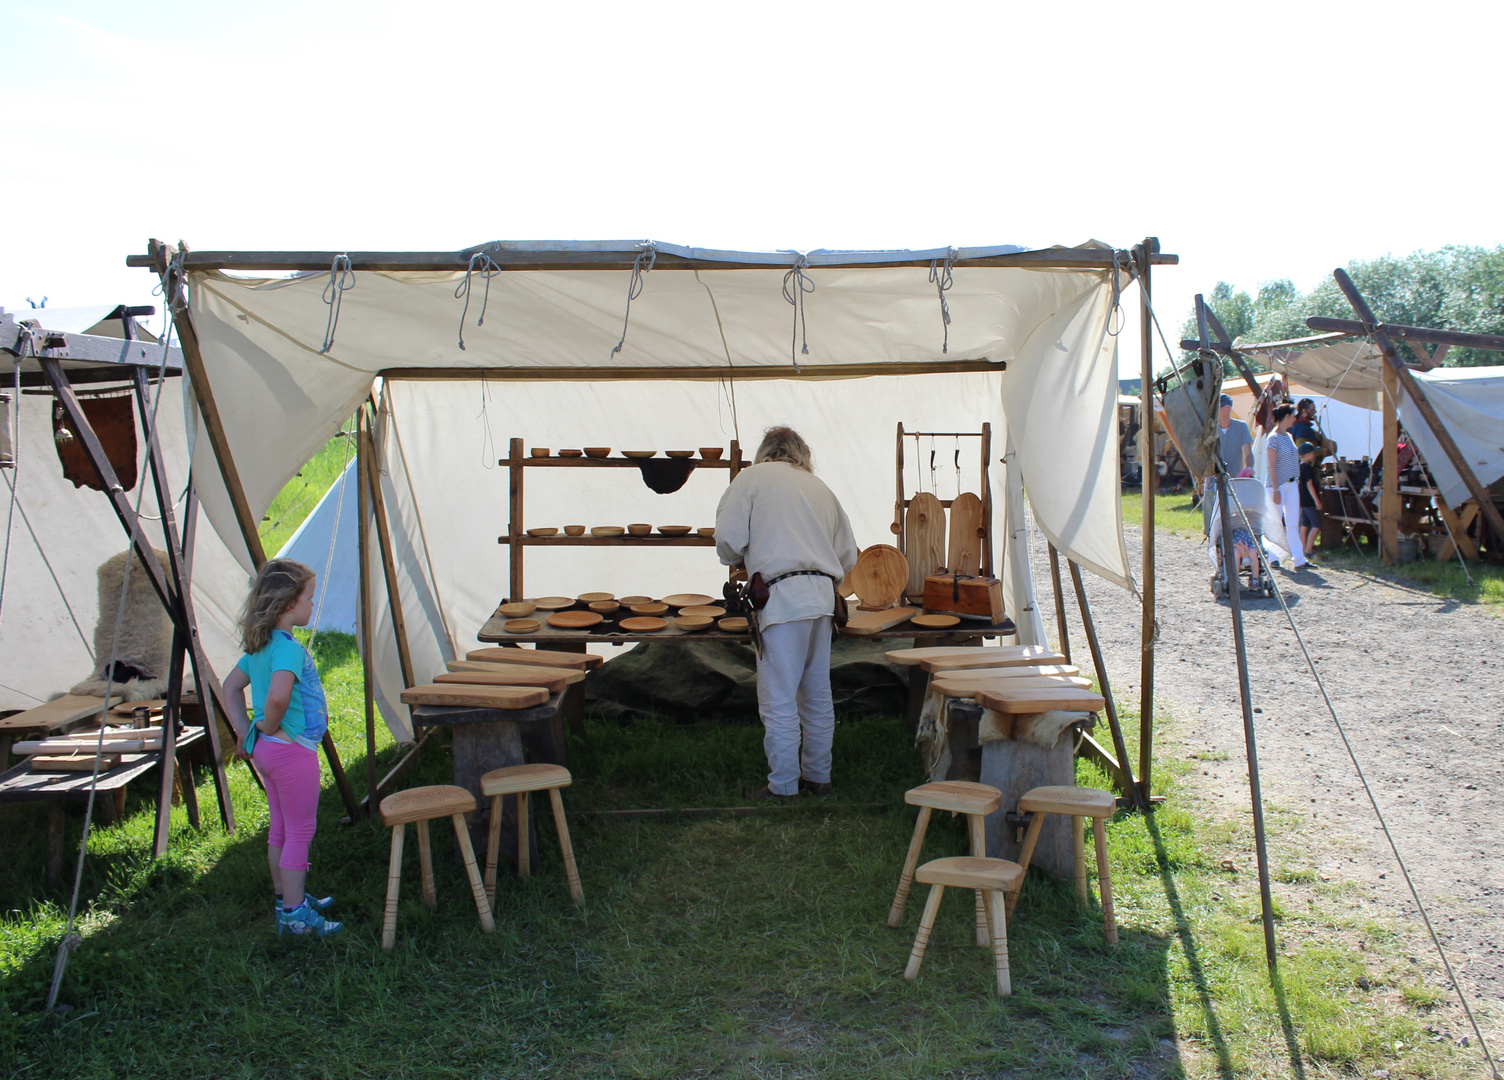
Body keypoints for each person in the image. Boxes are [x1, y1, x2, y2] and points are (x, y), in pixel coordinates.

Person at [714, 427, 860, 801]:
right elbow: (847, 555)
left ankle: (782, 787)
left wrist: (744, 554)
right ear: (801, 454)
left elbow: (728, 542)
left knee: (779, 697)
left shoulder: (751, 478)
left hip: (782, 597)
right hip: (822, 599)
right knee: (816, 695)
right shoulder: (819, 488)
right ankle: (818, 778)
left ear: (765, 452)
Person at [223, 559, 342, 938]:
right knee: (301, 831)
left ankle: (284, 898)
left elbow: (229, 687)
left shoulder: (260, 647)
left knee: (281, 827)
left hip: (268, 754)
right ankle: (295, 916)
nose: (312, 604)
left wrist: (246, 732)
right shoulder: (287, 649)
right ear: (289, 604)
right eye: (308, 597)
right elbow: (277, 696)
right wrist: (268, 723)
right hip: (292, 754)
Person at [1265, 404, 1310, 571]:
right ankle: (1273, 556)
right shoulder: (1273, 438)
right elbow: (1272, 465)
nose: (1295, 419)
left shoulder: (1289, 436)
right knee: (1276, 522)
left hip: (1291, 484)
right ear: (1286, 417)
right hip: (1278, 485)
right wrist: (1276, 489)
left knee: (1292, 522)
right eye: (1293, 416)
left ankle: (1298, 558)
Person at [1297, 441, 1323, 561]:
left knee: (1304, 525)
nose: (1314, 455)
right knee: (1317, 525)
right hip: (1309, 501)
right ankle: (1309, 549)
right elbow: (1309, 484)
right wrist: (1317, 500)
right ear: (1307, 454)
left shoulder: (1299, 467)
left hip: (1302, 500)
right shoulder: (1307, 468)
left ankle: (1302, 549)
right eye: (1312, 453)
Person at [1217, 393, 1253, 476]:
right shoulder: (1212, 429)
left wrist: (1249, 469)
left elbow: (1248, 453)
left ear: (1228, 408)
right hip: (1216, 479)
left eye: (1218, 407)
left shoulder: (1241, 427)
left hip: (1236, 479)